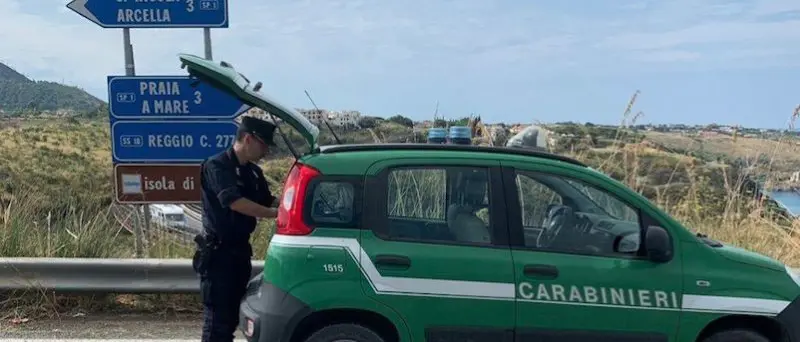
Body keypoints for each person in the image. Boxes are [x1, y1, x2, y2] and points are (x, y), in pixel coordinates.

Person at [193, 116, 281, 342]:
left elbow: (267, 199)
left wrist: (291, 204)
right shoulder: (217, 166)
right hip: (218, 255)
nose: (266, 152)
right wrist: (275, 214)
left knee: (232, 318)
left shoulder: (254, 173)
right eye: (263, 145)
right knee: (217, 324)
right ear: (248, 139)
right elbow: (234, 202)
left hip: (240, 253)